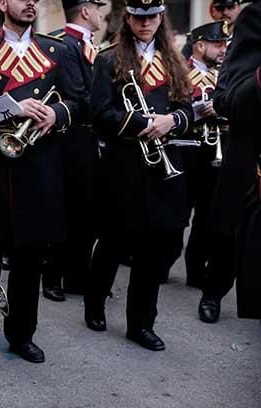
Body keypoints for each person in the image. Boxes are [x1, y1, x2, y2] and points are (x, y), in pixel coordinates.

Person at [0, 0, 80, 363]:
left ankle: (22, 333)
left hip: (40, 165)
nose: (31, 3)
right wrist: (12, 106)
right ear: (3, 3)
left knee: (30, 257)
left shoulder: (57, 49)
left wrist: (56, 112)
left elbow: (80, 100)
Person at [84, 0, 193, 351]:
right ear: (128, 18)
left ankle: (141, 324)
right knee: (113, 242)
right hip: (124, 165)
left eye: (151, 17)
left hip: (164, 165)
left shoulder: (174, 59)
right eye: (138, 17)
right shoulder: (108, 59)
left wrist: (171, 121)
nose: (145, 23)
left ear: (161, 18)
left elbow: (186, 107)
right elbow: (98, 113)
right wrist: (143, 123)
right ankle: (95, 302)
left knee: (154, 247)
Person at [40, 0, 106, 301]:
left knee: (88, 213)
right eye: (97, 6)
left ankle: (77, 276)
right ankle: (53, 276)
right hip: (72, 138)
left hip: (89, 138)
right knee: (66, 212)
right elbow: (78, 94)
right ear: (85, 11)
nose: (101, 13)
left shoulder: (86, 44)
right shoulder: (66, 44)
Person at [203, 0, 261, 322]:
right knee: (232, 227)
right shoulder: (255, 16)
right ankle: (214, 290)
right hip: (250, 145)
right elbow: (227, 100)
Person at [181, 21, 228, 291]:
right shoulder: (181, 71)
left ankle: (195, 270)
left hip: (216, 150)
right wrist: (199, 109)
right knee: (178, 211)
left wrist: (220, 110)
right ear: (200, 45)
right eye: (217, 44)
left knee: (207, 214)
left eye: (223, 44)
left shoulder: (225, 74)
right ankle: (162, 263)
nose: (223, 49)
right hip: (187, 149)